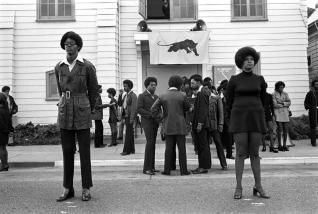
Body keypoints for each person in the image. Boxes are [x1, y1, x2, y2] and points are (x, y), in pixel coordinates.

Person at [55, 31, 98, 202]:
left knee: (85, 152)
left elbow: (93, 91)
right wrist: (66, 101)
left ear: (78, 46)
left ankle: (86, 188)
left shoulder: (87, 66)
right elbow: (60, 90)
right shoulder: (59, 66)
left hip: (82, 111)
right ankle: (67, 188)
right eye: (66, 44)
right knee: (67, 151)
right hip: (65, 111)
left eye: (72, 43)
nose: (69, 46)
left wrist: (88, 107)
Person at [226, 46, 269, 199]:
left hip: (256, 119)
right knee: (240, 153)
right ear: (240, 62)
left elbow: (264, 101)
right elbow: (228, 102)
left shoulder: (260, 80)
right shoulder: (234, 80)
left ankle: (258, 186)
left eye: (252, 60)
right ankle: (238, 187)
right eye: (246, 60)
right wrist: (230, 118)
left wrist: (264, 117)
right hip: (239, 119)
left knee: (255, 154)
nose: (249, 62)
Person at [151, 75, 190, 176]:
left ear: (169, 83)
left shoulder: (163, 95)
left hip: (168, 125)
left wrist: (161, 118)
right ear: (180, 84)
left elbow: (153, 109)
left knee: (168, 149)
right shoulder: (183, 95)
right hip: (181, 125)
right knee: (182, 149)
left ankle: (167, 170)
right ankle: (184, 170)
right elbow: (187, 108)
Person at [137, 77, 160, 175]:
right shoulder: (142, 96)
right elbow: (139, 109)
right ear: (147, 86)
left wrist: (159, 118)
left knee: (153, 144)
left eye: (155, 85)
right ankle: (146, 168)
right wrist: (151, 115)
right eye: (152, 85)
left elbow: (159, 109)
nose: (154, 87)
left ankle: (152, 167)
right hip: (147, 122)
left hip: (155, 123)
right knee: (150, 143)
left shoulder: (156, 97)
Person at [190, 74, 211, 174]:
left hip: (201, 125)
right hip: (200, 123)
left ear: (199, 83)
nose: (191, 85)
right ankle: (202, 166)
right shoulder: (200, 92)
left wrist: (200, 123)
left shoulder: (202, 93)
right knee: (201, 145)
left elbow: (203, 109)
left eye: (193, 83)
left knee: (202, 146)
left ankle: (203, 167)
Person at [207, 87, 228, 170]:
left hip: (214, 126)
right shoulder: (202, 97)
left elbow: (221, 112)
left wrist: (221, 124)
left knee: (219, 144)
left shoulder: (217, 98)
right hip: (206, 125)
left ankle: (224, 164)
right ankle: (207, 164)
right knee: (206, 145)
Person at [118, 80, 137, 156]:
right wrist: (120, 95)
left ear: (129, 86)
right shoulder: (125, 95)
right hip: (126, 116)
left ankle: (126, 150)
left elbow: (134, 108)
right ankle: (132, 149)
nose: (124, 87)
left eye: (125, 86)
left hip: (130, 117)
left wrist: (132, 119)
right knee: (130, 134)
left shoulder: (133, 95)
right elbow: (119, 104)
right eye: (124, 86)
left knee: (128, 134)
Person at [217, 80, 234, 159]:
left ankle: (229, 154)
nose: (223, 92)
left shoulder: (231, 100)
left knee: (229, 139)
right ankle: (222, 154)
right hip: (222, 122)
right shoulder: (221, 99)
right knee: (221, 140)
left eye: (224, 90)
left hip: (229, 122)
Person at [273, 81, 291, 152]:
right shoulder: (274, 94)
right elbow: (275, 104)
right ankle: (279, 145)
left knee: (285, 130)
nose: (282, 88)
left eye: (283, 87)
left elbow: (289, 102)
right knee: (280, 130)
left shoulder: (285, 93)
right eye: (280, 87)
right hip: (278, 113)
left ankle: (284, 145)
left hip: (285, 113)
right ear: (277, 87)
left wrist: (282, 103)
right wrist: (284, 104)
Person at [262, 84, 278, 153]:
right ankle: (264, 146)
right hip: (261, 115)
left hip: (268, 114)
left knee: (271, 130)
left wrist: (274, 114)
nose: (264, 88)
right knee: (263, 131)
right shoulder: (258, 96)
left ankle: (271, 146)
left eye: (264, 87)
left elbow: (271, 106)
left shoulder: (269, 95)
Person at [0, 93, 12, 172]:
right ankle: (5, 164)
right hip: (5, 131)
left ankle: (4, 165)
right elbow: (9, 121)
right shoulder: (6, 109)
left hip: (0, 130)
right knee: (3, 148)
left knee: (1, 148)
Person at [304, 79, 318, 147]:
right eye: (316, 84)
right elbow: (306, 102)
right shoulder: (310, 93)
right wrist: (311, 107)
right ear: (313, 85)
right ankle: (313, 142)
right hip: (313, 111)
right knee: (313, 126)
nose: (317, 85)